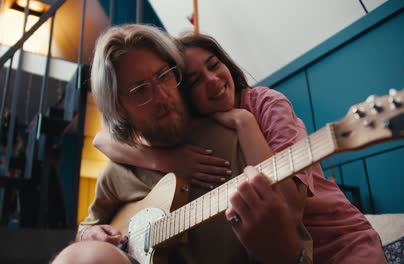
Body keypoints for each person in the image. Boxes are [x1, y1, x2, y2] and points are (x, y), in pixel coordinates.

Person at [93, 31, 387, 263]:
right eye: (195, 80)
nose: (212, 81)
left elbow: (287, 207)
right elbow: (102, 139)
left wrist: (245, 122)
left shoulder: (262, 104)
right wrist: (165, 159)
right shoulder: (193, 133)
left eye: (214, 65)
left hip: (339, 242)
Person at [57, 24, 311, 264]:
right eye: (140, 90)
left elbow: (295, 234)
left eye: (164, 76)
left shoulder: (233, 139)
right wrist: (87, 236)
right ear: (118, 108)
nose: (163, 96)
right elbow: (87, 227)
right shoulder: (115, 174)